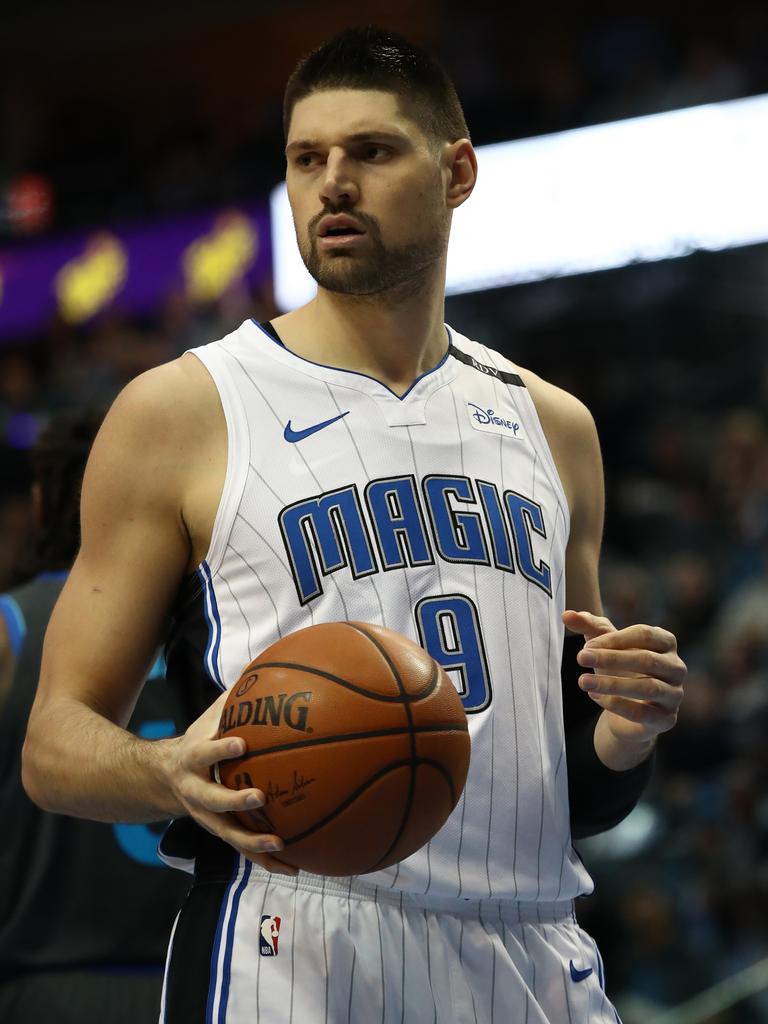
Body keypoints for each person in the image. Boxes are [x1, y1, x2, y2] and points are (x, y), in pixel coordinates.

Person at [22, 27, 687, 1023]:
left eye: (370, 151)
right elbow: (53, 744)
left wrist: (626, 734)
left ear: (456, 171)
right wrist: (162, 768)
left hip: (536, 943)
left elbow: (573, 782)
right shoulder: (183, 409)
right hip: (299, 935)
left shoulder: (556, 426)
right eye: (306, 158)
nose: (332, 182)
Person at [0, 409, 188, 1023]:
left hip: (52, 989)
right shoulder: (223, 624)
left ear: (39, 501)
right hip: (204, 980)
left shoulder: (11, 629)